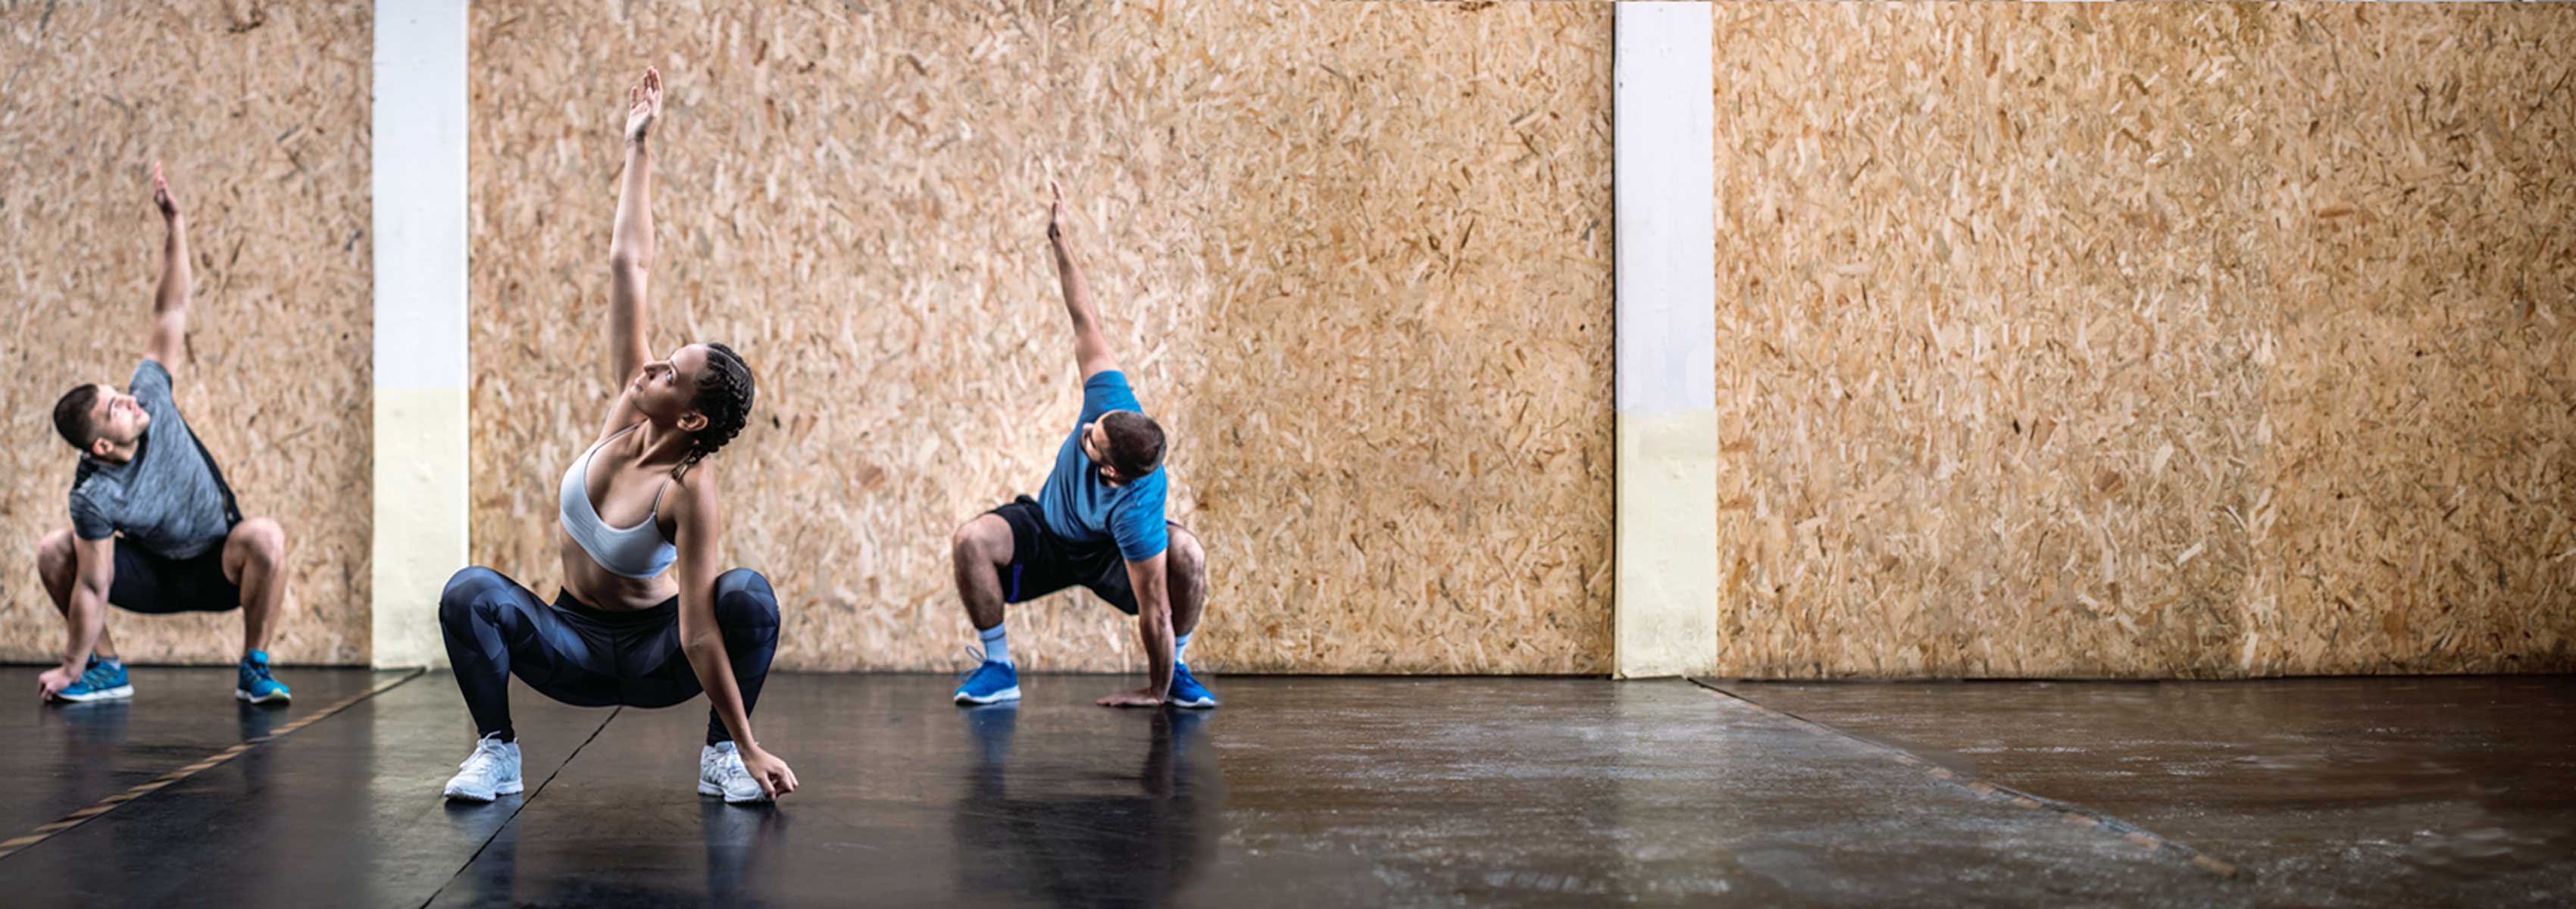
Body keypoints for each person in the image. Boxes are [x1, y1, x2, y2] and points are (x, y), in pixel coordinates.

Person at [435, 67, 796, 804]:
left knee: (750, 598)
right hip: (569, 647)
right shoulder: (630, 408)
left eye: (671, 373)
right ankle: (498, 752)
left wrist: (748, 743)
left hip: (658, 657)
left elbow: (700, 632)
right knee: (469, 592)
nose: (653, 366)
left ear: (690, 419)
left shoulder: (688, 488)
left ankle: (720, 758)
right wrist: (638, 144)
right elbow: (629, 263)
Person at [949, 182, 1215, 711]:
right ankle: (998, 668)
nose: (1085, 429)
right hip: (1048, 530)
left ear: (1113, 473)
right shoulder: (1109, 401)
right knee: (971, 540)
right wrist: (1060, 241)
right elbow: (1084, 316)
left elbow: (1156, 609)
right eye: (1093, 426)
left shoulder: (1137, 509)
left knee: (1187, 553)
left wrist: (1155, 691)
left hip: (1108, 553)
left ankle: (1177, 672)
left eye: (1091, 440)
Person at [36, 162, 293, 707]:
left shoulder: (151, 394)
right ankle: (105, 670)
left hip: (218, 565)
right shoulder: (94, 495)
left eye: (119, 393)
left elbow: (170, 309)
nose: (129, 401)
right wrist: (69, 667)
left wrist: (174, 223)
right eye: (116, 408)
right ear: (102, 447)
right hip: (150, 577)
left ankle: (254, 668)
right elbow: (92, 584)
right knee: (55, 551)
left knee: (266, 537)